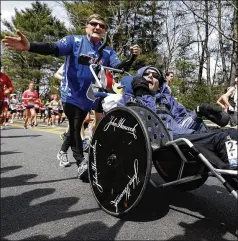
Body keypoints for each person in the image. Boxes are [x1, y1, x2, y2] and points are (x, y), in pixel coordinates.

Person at [2, 13, 141, 179]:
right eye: (93, 23)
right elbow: (52, 47)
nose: (97, 27)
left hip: (88, 95)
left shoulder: (107, 51)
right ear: (86, 27)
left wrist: (132, 57)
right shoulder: (74, 41)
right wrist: (30, 46)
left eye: (101, 26)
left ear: (104, 31)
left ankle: (62, 151)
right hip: (70, 94)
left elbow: (118, 67)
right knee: (75, 124)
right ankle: (81, 161)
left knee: (78, 126)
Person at [107, 66, 236, 169]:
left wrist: (197, 114)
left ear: (159, 83)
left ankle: (230, 169)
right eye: (147, 74)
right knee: (223, 138)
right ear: (138, 80)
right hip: (160, 141)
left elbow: (181, 123)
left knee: (232, 134)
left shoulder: (168, 100)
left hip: (180, 138)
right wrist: (143, 93)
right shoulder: (129, 99)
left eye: (155, 75)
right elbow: (142, 124)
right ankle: (232, 170)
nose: (151, 76)